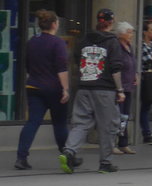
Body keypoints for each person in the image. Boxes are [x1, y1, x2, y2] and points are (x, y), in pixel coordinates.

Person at [60, 9, 126, 174]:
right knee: (107, 126)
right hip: (105, 90)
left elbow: (76, 59)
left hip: (84, 88)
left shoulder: (83, 40)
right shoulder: (113, 42)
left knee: (80, 123)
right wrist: (120, 90)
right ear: (111, 22)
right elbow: (115, 68)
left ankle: (69, 151)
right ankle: (105, 163)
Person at [14, 9, 71, 170]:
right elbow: (62, 67)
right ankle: (67, 155)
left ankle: (21, 157)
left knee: (32, 122)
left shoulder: (32, 41)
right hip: (53, 88)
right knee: (59, 123)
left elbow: (27, 64)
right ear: (54, 24)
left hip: (33, 86)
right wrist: (65, 88)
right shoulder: (57, 42)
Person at [113, 21, 139, 154]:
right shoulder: (116, 46)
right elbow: (115, 66)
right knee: (115, 116)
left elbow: (132, 63)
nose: (131, 35)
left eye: (131, 32)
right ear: (121, 33)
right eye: (129, 32)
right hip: (119, 86)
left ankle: (123, 142)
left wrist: (135, 74)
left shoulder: (130, 47)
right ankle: (112, 143)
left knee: (125, 116)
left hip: (128, 86)